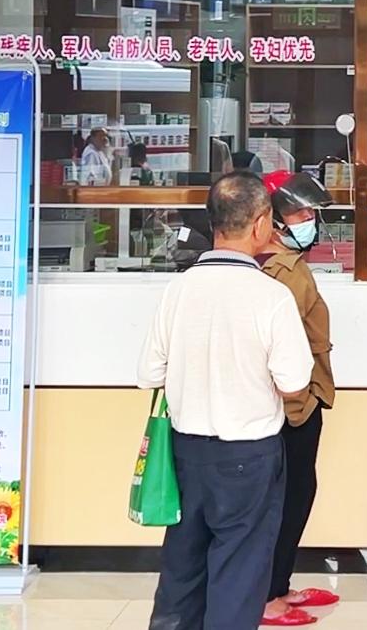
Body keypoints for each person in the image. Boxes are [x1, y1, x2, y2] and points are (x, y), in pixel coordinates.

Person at [137, 173, 314, 630]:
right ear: (260, 224)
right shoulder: (272, 296)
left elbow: (148, 375)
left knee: (181, 571)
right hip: (249, 457)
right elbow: (295, 383)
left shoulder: (178, 289)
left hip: (185, 452)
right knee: (238, 575)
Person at [259, 170, 340, 626]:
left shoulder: (289, 264)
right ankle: (268, 596)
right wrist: (298, 406)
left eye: (311, 212)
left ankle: (280, 583)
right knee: (287, 499)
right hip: (293, 406)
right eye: (300, 213)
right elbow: (281, 348)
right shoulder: (281, 272)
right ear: (271, 221)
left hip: (301, 399)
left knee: (297, 494)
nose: (310, 220)